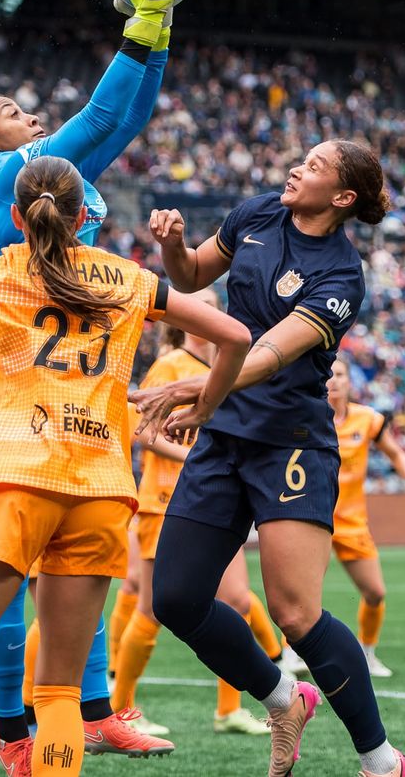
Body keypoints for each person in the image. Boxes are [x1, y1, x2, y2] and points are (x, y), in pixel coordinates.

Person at [0, 133, 249, 777]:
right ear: (83, 216)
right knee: (62, 690)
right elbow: (234, 335)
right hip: (101, 489)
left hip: (18, 476)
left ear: (17, 215)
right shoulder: (129, 280)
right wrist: (203, 405)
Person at [0, 0, 194, 767]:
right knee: (15, 573)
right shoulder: (20, 174)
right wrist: (141, 24)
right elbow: (105, 115)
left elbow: (129, 117)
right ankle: (15, 734)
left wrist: (156, 32)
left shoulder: (50, 180)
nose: (31, 118)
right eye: (12, 113)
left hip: (62, 388)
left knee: (76, 567)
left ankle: (92, 712)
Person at [131, 140, 405, 777]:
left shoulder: (342, 275)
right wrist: (173, 244)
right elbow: (193, 276)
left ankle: (380, 758)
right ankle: (285, 698)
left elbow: (269, 354)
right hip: (225, 434)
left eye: (313, 167)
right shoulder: (257, 213)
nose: (295, 169)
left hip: (290, 443)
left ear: (342, 199)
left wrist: (199, 387)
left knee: (295, 614)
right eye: (301, 159)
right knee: (174, 599)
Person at [110, 306, 281, 737]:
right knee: (150, 607)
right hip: (166, 501)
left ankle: (229, 709)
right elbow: (141, 430)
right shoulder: (170, 365)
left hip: (215, 500)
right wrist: (196, 459)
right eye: (202, 308)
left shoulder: (226, 367)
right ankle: (120, 710)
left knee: (238, 601)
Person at [286, 358, 405, 679]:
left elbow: (395, 453)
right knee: (300, 593)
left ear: (351, 381)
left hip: (352, 522)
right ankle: (291, 654)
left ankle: (367, 653)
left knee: (375, 592)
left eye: (341, 374)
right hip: (311, 517)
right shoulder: (306, 414)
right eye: (329, 374)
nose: (334, 380)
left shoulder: (368, 420)